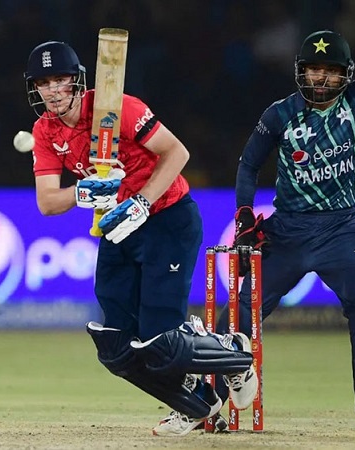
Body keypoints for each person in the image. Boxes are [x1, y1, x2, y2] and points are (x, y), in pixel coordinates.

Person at [22, 40, 257, 437]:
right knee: (114, 346)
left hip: (168, 218)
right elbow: (47, 202)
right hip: (117, 228)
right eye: (43, 83)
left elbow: (177, 153)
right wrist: (82, 192)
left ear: (77, 81)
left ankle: (234, 354)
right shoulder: (45, 131)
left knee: (159, 340)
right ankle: (196, 402)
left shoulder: (117, 109)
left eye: (60, 80)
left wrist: (142, 202)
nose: (53, 91)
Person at [219, 5, 355, 434]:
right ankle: (206, 402)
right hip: (287, 232)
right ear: (301, 71)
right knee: (238, 314)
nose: (321, 79)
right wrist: (244, 217)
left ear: (345, 74)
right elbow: (249, 165)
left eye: (330, 71)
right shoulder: (279, 114)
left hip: (341, 231)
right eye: (313, 70)